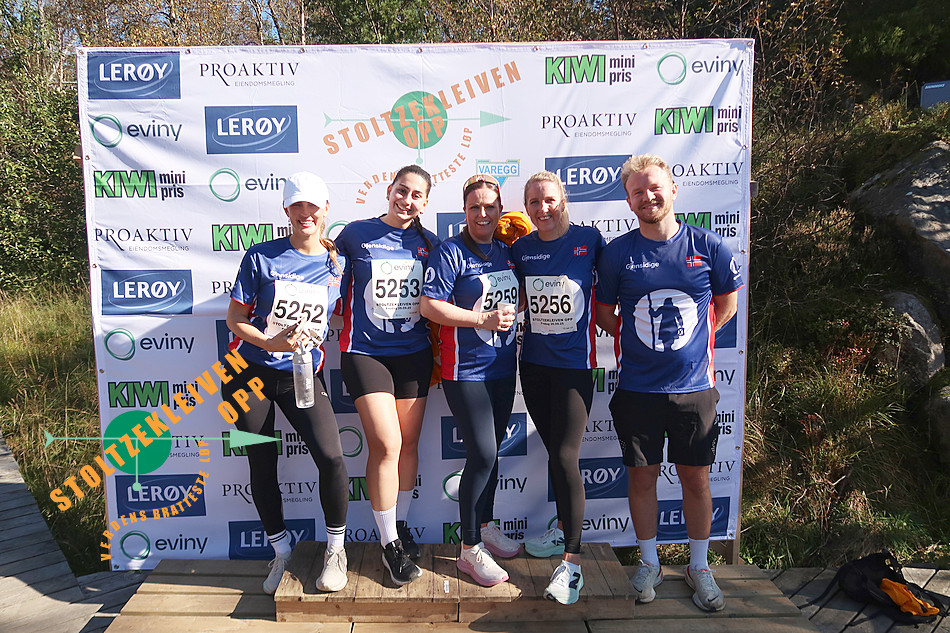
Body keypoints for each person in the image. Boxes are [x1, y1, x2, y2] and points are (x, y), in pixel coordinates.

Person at [594, 154, 742, 612]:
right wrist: (642, 344)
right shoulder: (617, 253)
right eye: (637, 192)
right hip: (637, 391)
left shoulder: (709, 246)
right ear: (628, 201)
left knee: (696, 480)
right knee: (642, 480)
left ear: (673, 189)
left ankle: (699, 567)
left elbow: (726, 305)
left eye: (654, 187)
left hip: (694, 390)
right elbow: (604, 315)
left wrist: (693, 342)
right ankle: (649, 563)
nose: (648, 197)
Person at [225, 172, 350, 595]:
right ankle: (281, 551)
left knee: (331, 458)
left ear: (326, 209)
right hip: (249, 374)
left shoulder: (338, 264)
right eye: (298, 205)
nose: (306, 213)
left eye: (313, 205)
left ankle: (336, 550)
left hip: (302, 374)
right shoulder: (261, 256)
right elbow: (235, 319)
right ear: (286, 210)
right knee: (261, 463)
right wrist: (269, 341)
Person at [335, 165, 439, 586]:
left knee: (408, 445)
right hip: (365, 353)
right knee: (387, 444)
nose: (406, 200)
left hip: (414, 354)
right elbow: (324, 277)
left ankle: (401, 526)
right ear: (389, 189)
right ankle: (389, 543)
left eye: (416, 195)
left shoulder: (430, 244)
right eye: (402, 190)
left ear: (425, 203)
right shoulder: (356, 234)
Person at [421, 173, 523, 587]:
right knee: (482, 454)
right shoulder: (450, 252)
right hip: (465, 371)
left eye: (489, 207)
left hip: (502, 367)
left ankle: (486, 525)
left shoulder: (506, 251)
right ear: (464, 211)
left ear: (500, 210)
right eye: (474, 207)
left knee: (493, 454)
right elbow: (430, 306)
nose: (482, 213)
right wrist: (482, 319)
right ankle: (469, 550)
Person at [512, 171, 605, 605]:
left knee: (567, 456)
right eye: (534, 202)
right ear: (526, 208)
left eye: (549, 199)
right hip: (534, 367)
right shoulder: (521, 249)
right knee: (555, 453)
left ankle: (572, 563)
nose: (543, 208)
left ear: (563, 199)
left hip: (573, 369)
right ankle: (562, 529)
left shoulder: (590, 241)